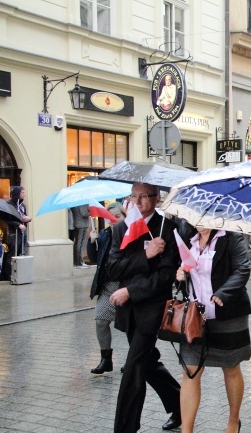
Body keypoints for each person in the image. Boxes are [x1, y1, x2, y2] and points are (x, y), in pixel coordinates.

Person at [107, 182, 182, 432]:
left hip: (152, 308)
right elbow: (113, 268)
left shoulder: (167, 229)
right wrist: (145, 256)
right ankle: (179, 402)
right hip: (128, 310)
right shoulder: (122, 228)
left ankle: (125, 427)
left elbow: (165, 276)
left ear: (156, 198)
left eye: (144, 197)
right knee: (147, 362)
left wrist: (130, 290)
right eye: (134, 196)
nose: (137, 202)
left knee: (134, 366)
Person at [175, 227, 251, 433]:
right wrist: (179, 274)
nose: (200, 222)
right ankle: (186, 430)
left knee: (231, 368)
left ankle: (233, 421)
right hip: (194, 317)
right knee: (190, 371)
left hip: (227, 313)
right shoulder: (186, 238)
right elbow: (178, 269)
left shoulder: (232, 238)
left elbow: (243, 268)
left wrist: (223, 293)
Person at [88, 202, 127, 375]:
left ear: (124, 216)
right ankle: (106, 360)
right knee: (101, 321)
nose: (113, 221)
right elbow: (95, 258)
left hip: (125, 286)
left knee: (129, 325)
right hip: (107, 286)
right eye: (110, 218)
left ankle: (133, 360)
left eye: (117, 217)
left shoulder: (131, 234)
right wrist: (91, 242)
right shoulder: (104, 234)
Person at [2, 186, 31, 280]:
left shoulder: (22, 205)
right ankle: (9, 273)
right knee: (12, 253)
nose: (24, 194)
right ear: (17, 193)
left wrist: (27, 218)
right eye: (22, 192)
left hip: (22, 233)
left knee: (21, 252)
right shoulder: (9, 205)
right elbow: (7, 219)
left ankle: (20, 273)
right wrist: (18, 225)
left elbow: (22, 216)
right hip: (14, 232)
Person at [71, 204, 91, 268]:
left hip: (77, 224)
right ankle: (79, 262)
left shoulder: (75, 202)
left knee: (77, 243)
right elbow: (84, 213)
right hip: (82, 225)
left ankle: (77, 262)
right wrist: (91, 211)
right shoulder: (82, 202)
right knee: (81, 244)